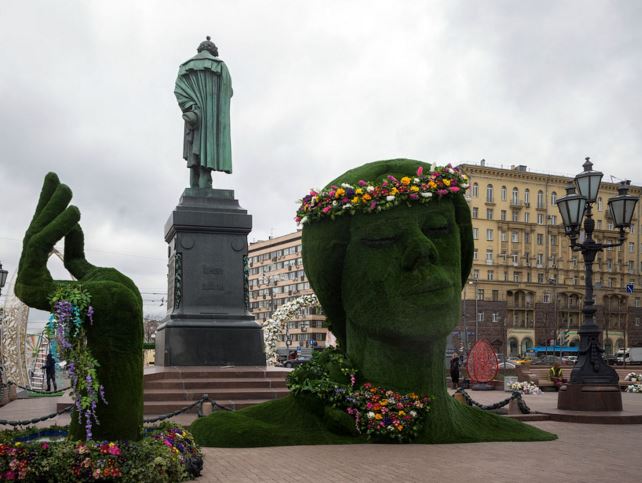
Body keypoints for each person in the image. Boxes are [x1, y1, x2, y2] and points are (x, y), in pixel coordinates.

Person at [174, 36, 233, 189]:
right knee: (207, 148)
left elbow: (179, 91)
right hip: (211, 116)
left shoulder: (185, 67)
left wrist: (190, 106)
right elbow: (228, 91)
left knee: (195, 148)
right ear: (213, 51)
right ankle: (205, 185)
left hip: (194, 115)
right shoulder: (220, 66)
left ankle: (194, 184)